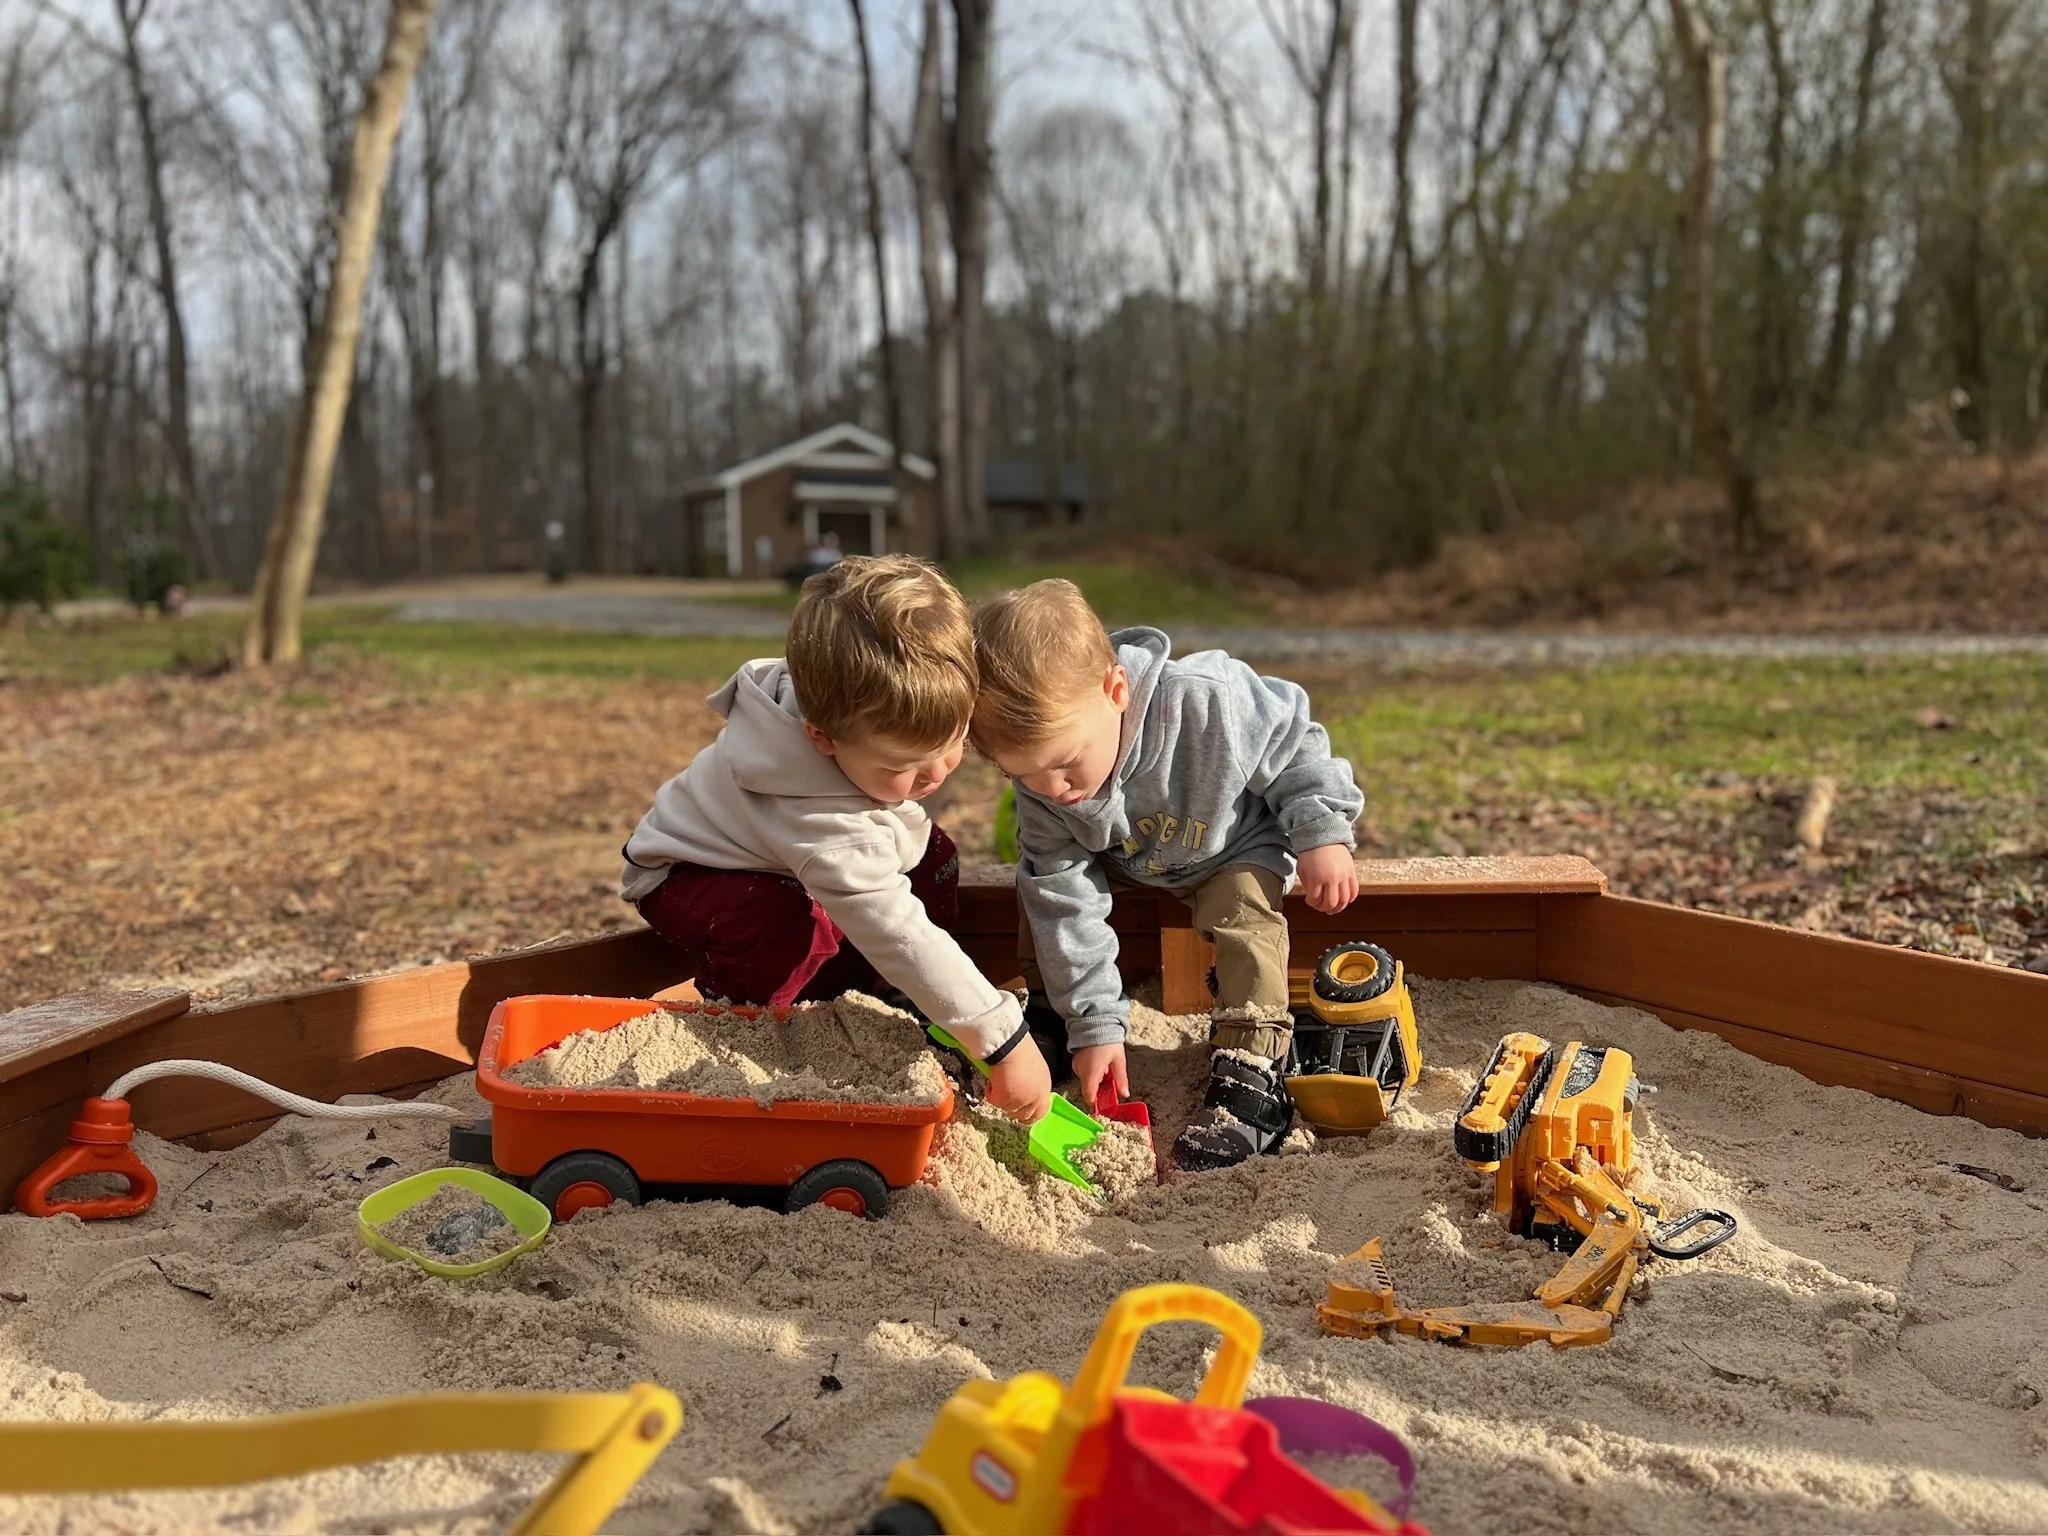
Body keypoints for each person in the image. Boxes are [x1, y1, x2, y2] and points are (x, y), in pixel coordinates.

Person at [621, 554, 1052, 1123]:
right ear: (822, 739)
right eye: (904, 765)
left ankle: (897, 1000)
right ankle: (753, 1031)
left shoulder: (852, 707)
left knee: (936, 859)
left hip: (785, 858)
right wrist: (1003, 1039)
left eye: (953, 741)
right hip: (692, 874)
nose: (937, 773)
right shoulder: (815, 815)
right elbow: (896, 930)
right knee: (785, 928)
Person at [970, 579, 1363, 1170]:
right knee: (1042, 895)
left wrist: (1320, 831)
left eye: (1065, 763)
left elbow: (1295, 741)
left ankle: (1252, 1066)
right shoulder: (1048, 789)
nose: (1053, 791)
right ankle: (1053, 1015)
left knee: (1247, 921)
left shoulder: (1208, 700)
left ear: (1116, 689)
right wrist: (1096, 1024)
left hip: (1229, 844)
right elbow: (1066, 899)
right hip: (1126, 857)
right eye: (1021, 776)